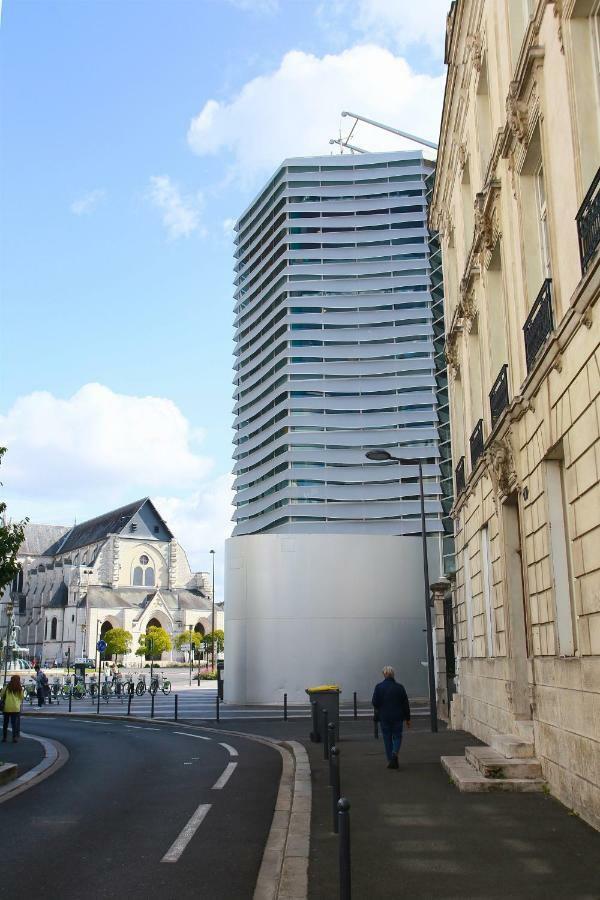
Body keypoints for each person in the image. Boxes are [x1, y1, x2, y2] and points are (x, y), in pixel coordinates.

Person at [372, 665, 411, 770]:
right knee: (397, 736)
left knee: (387, 738)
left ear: (384, 674)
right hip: (398, 716)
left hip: (384, 717)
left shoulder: (378, 687)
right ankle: (394, 754)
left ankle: (390, 760)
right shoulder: (400, 687)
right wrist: (408, 718)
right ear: (393, 674)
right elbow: (405, 704)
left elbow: (375, 702)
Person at [2, 675, 24, 743]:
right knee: (14, 724)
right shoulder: (19, 688)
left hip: (7, 707)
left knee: (5, 723)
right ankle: (14, 738)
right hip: (15, 708)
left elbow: (1, 694)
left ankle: (4, 738)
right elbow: (22, 698)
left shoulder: (6, 687)